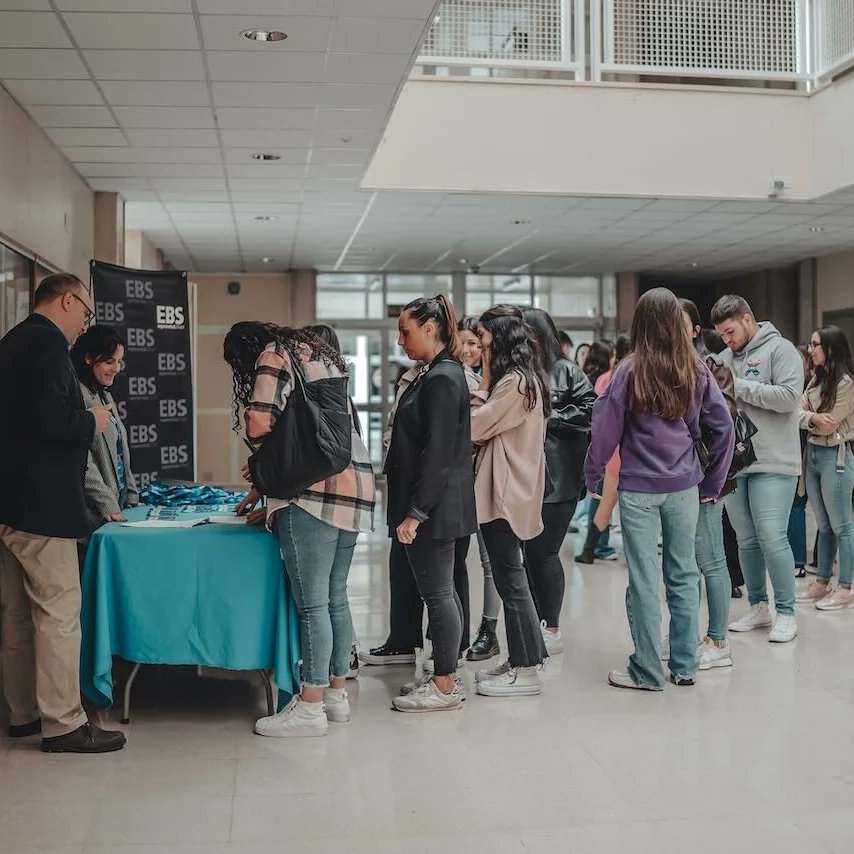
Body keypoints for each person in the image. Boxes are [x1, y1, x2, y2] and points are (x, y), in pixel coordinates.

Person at [224, 322, 375, 736]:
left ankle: (309, 707)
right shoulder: (323, 360)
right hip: (355, 486)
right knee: (334, 598)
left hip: (312, 495)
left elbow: (259, 422)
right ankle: (335, 696)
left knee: (311, 605)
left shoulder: (275, 353)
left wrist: (263, 466)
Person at [0, 273, 126, 753]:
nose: (83, 326)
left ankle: (23, 714)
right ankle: (64, 723)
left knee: (15, 616)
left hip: (9, 503)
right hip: (43, 507)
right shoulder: (50, 348)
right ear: (69, 300)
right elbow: (52, 422)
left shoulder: (11, 343)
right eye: (85, 314)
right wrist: (90, 420)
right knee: (58, 613)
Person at [587, 288, 734, 690]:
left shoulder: (630, 370)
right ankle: (685, 666)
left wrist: (593, 473)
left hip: (638, 489)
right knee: (684, 575)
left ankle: (648, 671)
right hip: (685, 486)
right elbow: (723, 428)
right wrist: (713, 482)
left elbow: (604, 430)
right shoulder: (695, 369)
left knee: (645, 579)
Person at [384, 296, 477, 712]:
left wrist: (416, 512)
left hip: (436, 506)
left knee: (438, 593)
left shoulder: (442, 377)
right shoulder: (434, 374)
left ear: (429, 328)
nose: (401, 340)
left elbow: (438, 452)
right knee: (443, 592)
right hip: (441, 502)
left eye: (406, 331)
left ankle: (443, 684)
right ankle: (445, 674)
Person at [712, 294, 804, 643]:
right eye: (722, 334)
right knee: (746, 539)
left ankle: (786, 612)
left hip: (775, 460)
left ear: (748, 319)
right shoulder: (722, 358)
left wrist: (738, 386)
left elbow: (789, 397)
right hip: (735, 463)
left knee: (771, 535)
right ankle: (759, 605)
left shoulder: (780, 351)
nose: (727, 340)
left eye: (731, 331)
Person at [470, 305, 549, 697]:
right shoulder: (522, 380)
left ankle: (528, 668)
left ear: (499, 339)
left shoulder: (515, 384)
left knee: (512, 581)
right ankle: (521, 660)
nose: (479, 344)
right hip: (508, 491)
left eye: (483, 337)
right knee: (508, 579)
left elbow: (474, 426)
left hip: (505, 494)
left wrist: (481, 382)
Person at [522, 308, 595, 654]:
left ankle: (550, 626)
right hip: (524, 477)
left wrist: (549, 418)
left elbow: (592, 411)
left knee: (544, 553)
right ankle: (536, 621)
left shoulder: (568, 372)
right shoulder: (518, 372)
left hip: (559, 478)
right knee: (528, 555)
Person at [680, 299, 738, 670]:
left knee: (712, 559)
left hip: (705, 479)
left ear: (696, 329)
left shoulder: (710, 367)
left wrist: (711, 484)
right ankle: (694, 636)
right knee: (686, 562)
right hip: (680, 479)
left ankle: (718, 640)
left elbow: (723, 426)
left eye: (680, 324)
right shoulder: (672, 366)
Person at [795, 326, 854, 610]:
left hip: (836, 455)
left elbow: (831, 420)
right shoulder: (815, 381)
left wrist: (809, 415)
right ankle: (822, 582)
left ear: (830, 349)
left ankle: (846, 587)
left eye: (815, 345)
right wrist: (812, 418)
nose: (810, 349)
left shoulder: (845, 383)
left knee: (842, 526)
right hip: (814, 454)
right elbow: (798, 412)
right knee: (824, 525)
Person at [459, 315, 502, 661]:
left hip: (484, 479)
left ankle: (489, 629)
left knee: (491, 561)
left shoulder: (494, 385)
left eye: (476, 343)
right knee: (454, 560)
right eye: (465, 342)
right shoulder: (446, 377)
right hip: (455, 484)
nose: (470, 349)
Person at [71, 325, 139, 533]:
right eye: (110, 361)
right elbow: (82, 461)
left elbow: (119, 451)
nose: (117, 368)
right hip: (91, 517)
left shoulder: (104, 393)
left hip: (114, 509)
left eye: (119, 361)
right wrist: (106, 503)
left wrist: (131, 497)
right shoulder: (76, 394)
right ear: (88, 358)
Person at [576, 333, 631, 564]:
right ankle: (625, 554)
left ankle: (589, 550)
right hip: (630, 451)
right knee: (632, 510)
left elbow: (597, 417)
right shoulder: (634, 376)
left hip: (608, 452)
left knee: (604, 503)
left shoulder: (605, 379)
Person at [788, 344, 812, 578]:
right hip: (789, 450)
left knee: (797, 505)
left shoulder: (809, 386)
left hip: (805, 452)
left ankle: (798, 561)